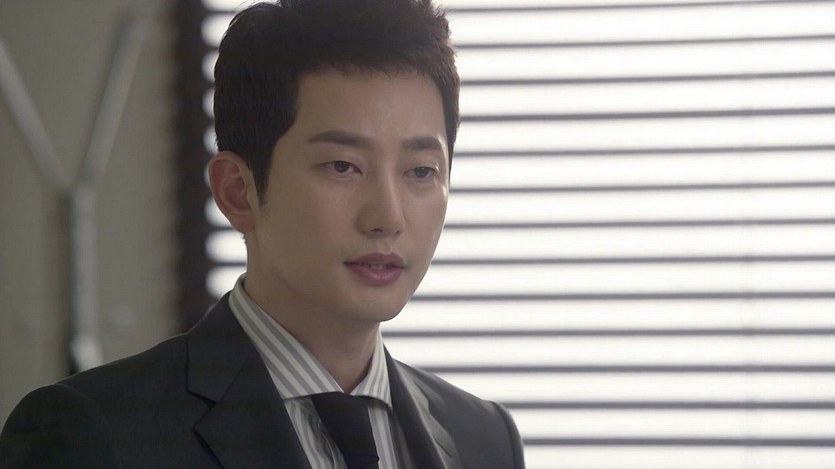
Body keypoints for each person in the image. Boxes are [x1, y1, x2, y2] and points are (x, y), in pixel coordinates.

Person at [0, 0, 525, 467]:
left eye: (421, 171)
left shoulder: (482, 438)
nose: (387, 217)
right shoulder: (93, 434)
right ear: (238, 191)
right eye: (342, 166)